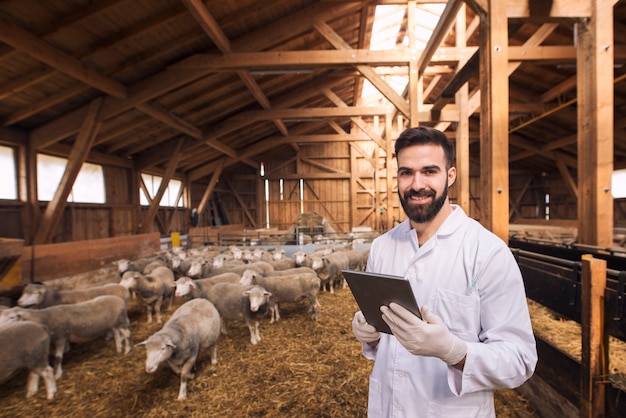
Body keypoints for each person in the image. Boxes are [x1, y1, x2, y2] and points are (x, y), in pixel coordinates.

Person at [352, 126, 537, 417]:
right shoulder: (382, 247)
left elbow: (519, 360)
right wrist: (370, 333)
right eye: (406, 173)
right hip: (388, 407)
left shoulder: (487, 252)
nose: (416, 184)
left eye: (429, 171)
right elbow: (384, 342)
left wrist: (454, 351)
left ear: (450, 176)